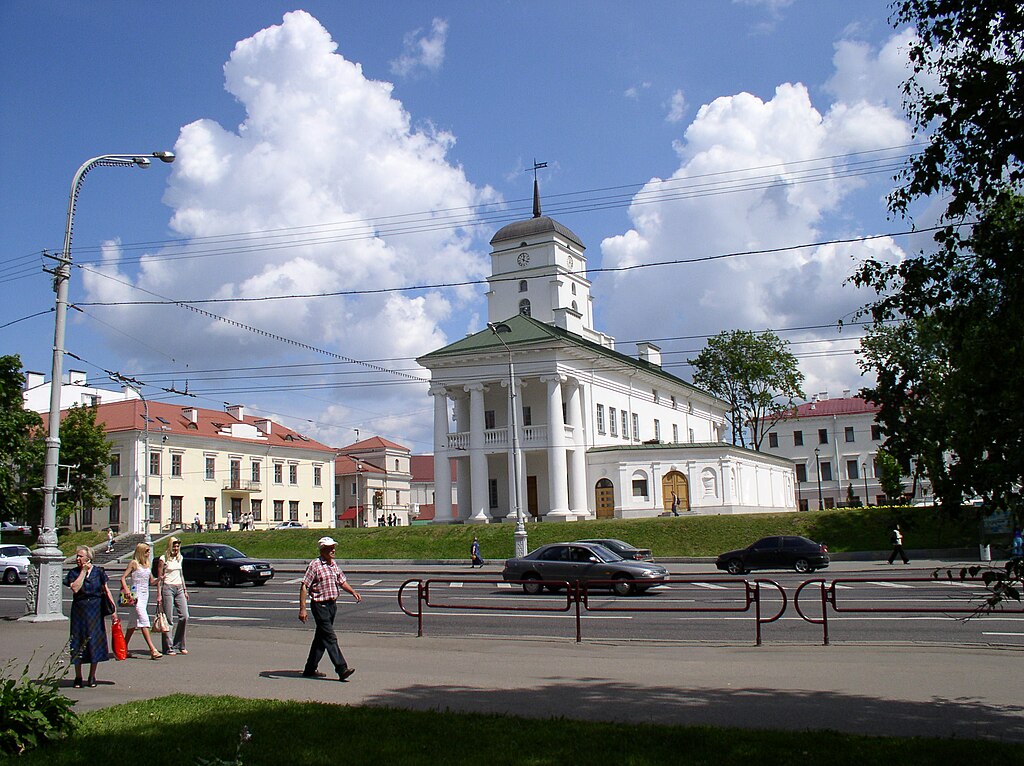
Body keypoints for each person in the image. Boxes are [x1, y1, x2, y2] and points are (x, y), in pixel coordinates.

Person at [298, 536, 360, 681]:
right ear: (322, 549)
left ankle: (309, 669)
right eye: (330, 548)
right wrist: (303, 609)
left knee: (321, 639)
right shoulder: (315, 565)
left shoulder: (333, 564)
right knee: (330, 638)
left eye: (333, 547)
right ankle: (341, 668)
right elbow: (304, 586)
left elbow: (342, 581)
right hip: (320, 606)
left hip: (332, 606)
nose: (333, 550)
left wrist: (353, 592)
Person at [65, 545, 117, 688]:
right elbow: (75, 588)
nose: (77, 558)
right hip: (79, 610)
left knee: (94, 641)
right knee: (78, 641)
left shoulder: (99, 572)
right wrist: (83, 572)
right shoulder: (74, 573)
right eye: (77, 556)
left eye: (80, 556)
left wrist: (113, 611)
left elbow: (106, 590)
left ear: (88, 558)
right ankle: (78, 676)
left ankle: (92, 675)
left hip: (95, 610)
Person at [120, 542, 162, 659]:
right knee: (144, 620)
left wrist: (160, 578)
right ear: (141, 552)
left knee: (132, 623)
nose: (149, 553)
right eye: (147, 551)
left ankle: (122, 647)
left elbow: (151, 582)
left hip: (145, 595)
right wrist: (127, 591)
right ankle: (152, 649)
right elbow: (123, 578)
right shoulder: (134, 563)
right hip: (135, 595)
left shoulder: (147, 565)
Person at [156, 537, 190, 655]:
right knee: (169, 619)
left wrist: (185, 590)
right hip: (167, 588)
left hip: (179, 588)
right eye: (174, 546)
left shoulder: (180, 558)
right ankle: (168, 647)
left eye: (178, 546)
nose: (176, 548)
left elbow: (181, 575)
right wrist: (159, 594)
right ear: (170, 546)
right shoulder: (163, 559)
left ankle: (179, 644)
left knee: (184, 616)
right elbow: (159, 578)